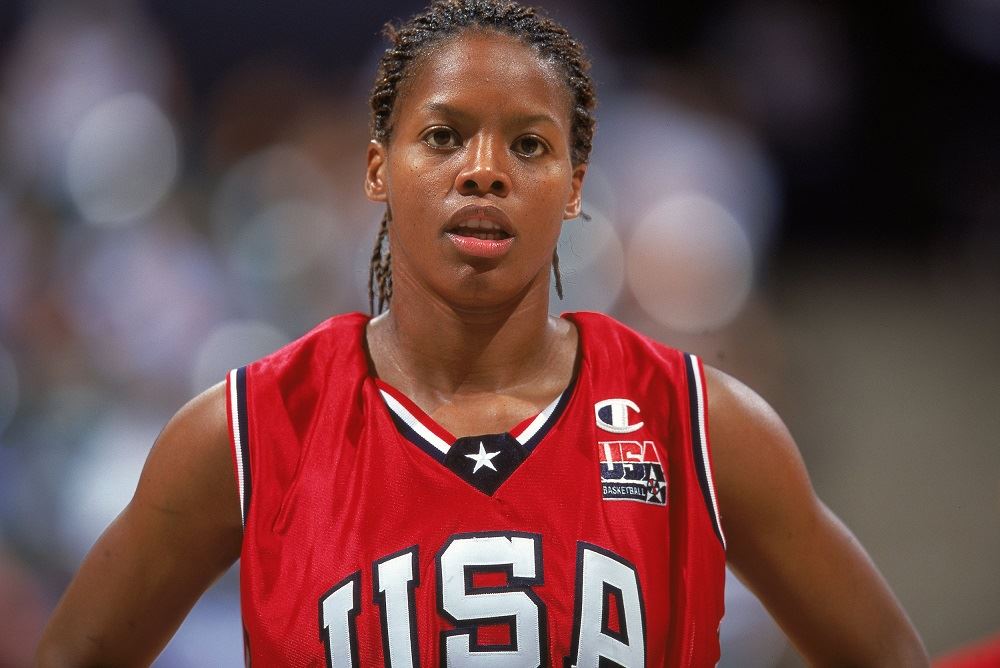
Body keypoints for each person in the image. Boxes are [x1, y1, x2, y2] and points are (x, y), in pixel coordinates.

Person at [36, 1, 929, 665]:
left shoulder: (700, 423)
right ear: (377, 168)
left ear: (575, 187)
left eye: (530, 146)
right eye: (443, 136)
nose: (484, 172)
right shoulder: (241, 432)